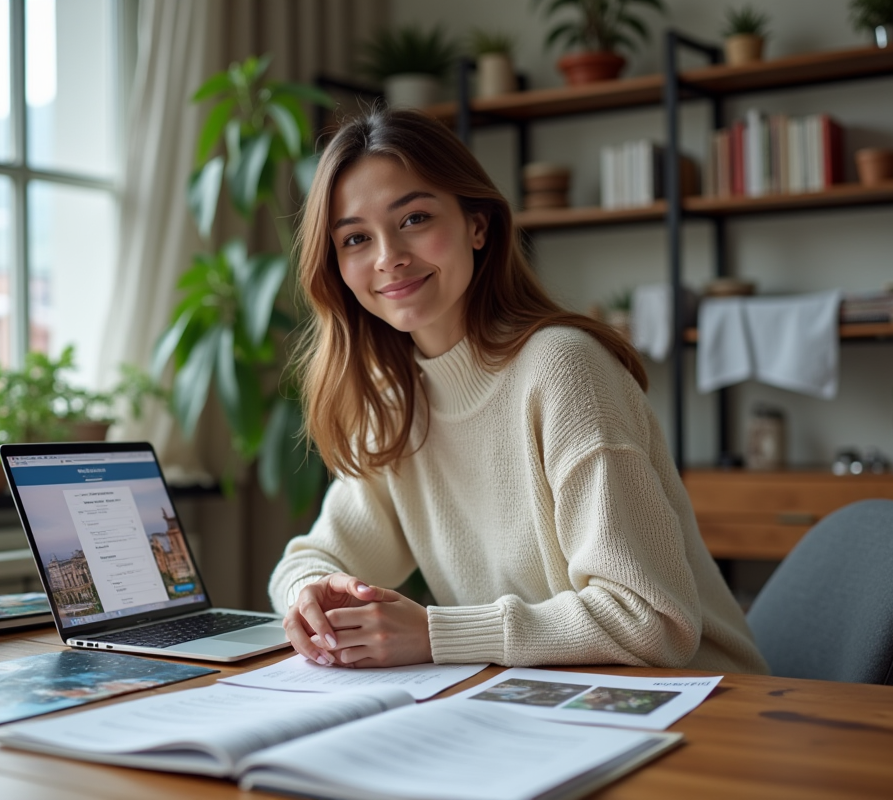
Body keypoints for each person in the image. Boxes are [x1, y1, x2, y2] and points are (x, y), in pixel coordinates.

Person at [270, 107, 768, 675]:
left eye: (413, 219)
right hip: (546, 705)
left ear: (477, 225)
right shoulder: (395, 400)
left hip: (700, 704)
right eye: (355, 238)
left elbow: (652, 621)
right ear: (335, 266)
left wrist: (435, 634)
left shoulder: (563, 370)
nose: (388, 257)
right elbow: (312, 558)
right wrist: (311, 594)